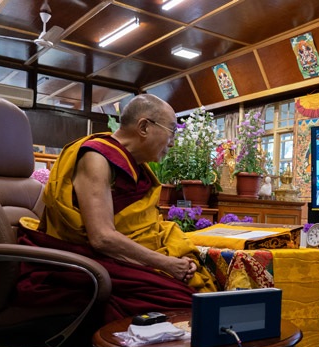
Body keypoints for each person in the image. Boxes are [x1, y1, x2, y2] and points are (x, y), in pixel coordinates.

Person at [14, 94, 216, 324]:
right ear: (143, 127)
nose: (172, 142)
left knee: (198, 292)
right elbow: (101, 238)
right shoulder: (96, 158)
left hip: (120, 261)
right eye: (171, 131)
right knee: (184, 303)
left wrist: (173, 254)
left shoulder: (135, 168)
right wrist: (165, 263)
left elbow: (140, 226)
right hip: (83, 264)